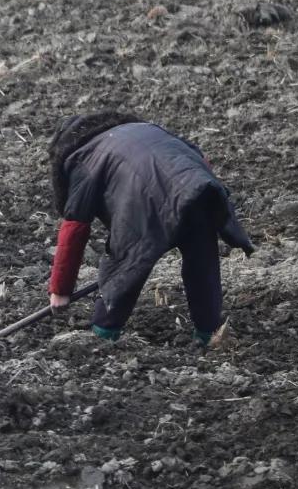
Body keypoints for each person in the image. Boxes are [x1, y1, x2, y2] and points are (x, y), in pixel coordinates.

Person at [46, 112, 253, 347]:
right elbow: (199, 159)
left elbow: (74, 228)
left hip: (142, 197)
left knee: (128, 262)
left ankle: (102, 336)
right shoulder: (144, 129)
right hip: (197, 185)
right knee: (202, 261)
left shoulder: (81, 158)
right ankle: (210, 334)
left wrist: (60, 290)